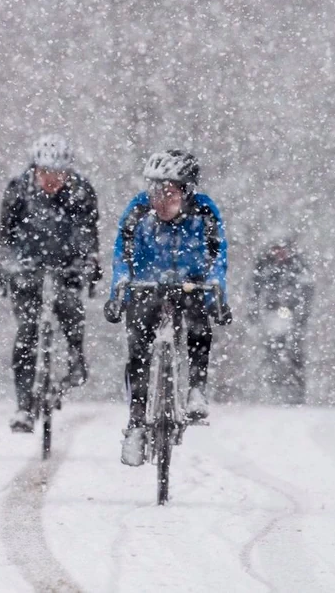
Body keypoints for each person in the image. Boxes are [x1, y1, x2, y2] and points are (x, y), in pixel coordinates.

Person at [102, 149, 231, 467]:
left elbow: (218, 256)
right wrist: (119, 290)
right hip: (147, 285)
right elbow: (121, 253)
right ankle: (136, 424)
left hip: (189, 283)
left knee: (199, 324)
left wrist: (216, 295)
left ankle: (196, 390)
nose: (160, 199)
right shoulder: (137, 210)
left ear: (187, 192)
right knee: (138, 349)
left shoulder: (204, 212)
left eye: (169, 192)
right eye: (154, 190)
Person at [0, 134, 102, 433]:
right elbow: (6, 236)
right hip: (27, 266)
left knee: (70, 309)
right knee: (27, 331)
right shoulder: (18, 189)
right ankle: (24, 406)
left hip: (66, 264)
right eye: (45, 173)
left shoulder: (81, 191)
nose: (52, 180)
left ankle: (76, 358)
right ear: (34, 169)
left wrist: (88, 263)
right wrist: (5, 266)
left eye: (58, 173)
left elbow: (88, 233)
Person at [249, 230, 314, 404]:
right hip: (272, 310)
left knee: (296, 349)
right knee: (271, 347)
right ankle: (271, 386)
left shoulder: (298, 265)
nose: (280, 253)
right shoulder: (264, 264)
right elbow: (254, 287)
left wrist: (302, 313)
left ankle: (298, 389)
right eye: (276, 249)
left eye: (283, 249)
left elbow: (307, 289)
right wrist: (253, 309)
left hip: (293, 311)